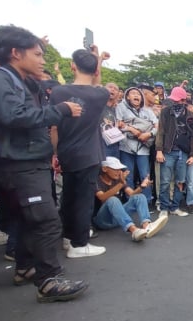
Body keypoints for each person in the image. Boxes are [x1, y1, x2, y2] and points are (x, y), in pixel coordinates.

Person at [0, 26, 88, 302]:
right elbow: (14, 116)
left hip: (29, 160)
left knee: (30, 221)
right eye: (37, 54)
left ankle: (25, 268)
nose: (42, 60)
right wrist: (61, 111)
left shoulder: (21, 81)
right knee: (47, 222)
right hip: (19, 164)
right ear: (15, 53)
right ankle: (49, 280)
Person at [50, 47, 109, 259]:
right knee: (84, 200)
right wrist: (98, 61)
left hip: (66, 151)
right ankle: (80, 243)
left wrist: (55, 153)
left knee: (68, 197)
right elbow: (96, 83)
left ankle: (68, 237)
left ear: (72, 66)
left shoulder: (58, 91)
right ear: (94, 70)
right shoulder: (100, 94)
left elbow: (54, 127)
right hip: (89, 152)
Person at [93, 157, 167, 241]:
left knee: (140, 196)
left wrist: (141, 187)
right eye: (115, 169)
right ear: (104, 169)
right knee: (112, 199)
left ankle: (147, 226)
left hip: (118, 218)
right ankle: (134, 230)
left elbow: (132, 194)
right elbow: (102, 197)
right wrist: (121, 184)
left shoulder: (118, 180)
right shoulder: (96, 181)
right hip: (102, 221)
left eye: (120, 169)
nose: (119, 172)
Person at [155, 86, 193, 218]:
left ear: (184, 100)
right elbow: (160, 132)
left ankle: (175, 207)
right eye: (174, 100)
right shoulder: (166, 112)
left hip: (183, 152)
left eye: (178, 100)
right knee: (165, 181)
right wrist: (159, 151)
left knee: (181, 181)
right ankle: (164, 207)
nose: (175, 102)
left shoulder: (190, 115)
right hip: (168, 150)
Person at [116, 87, 158, 207]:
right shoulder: (121, 108)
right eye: (133, 93)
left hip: (143, 148)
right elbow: (118, 124)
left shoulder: (147, 111)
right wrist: (131, 129)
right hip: (126, 147)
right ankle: (130, 201)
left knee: (145, 175)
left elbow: (157, 125)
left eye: (138, 94)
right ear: (127, 97)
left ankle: (147, 201)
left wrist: (148, 134)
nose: (136, 96)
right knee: (127, 174)